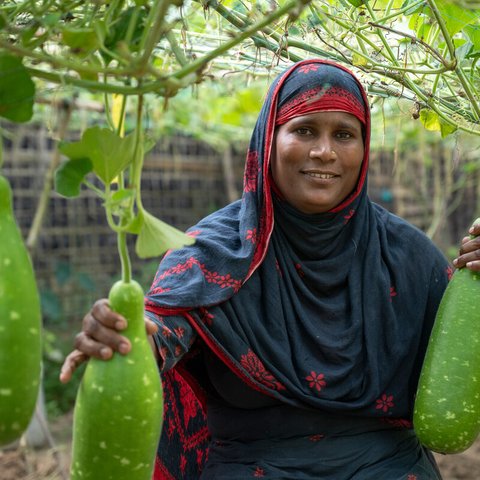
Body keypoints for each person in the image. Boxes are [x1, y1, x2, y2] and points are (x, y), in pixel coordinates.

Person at [61, 58, 480, 479]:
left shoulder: (408, 256)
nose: (325, 151)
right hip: (251, 467)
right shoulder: (214, 250)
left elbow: (460, 375)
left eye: (344, 134)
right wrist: (124, 335)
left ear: (364, 148)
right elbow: (162, 332)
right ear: (268, 139)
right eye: (304, 130)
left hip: (386, 467)